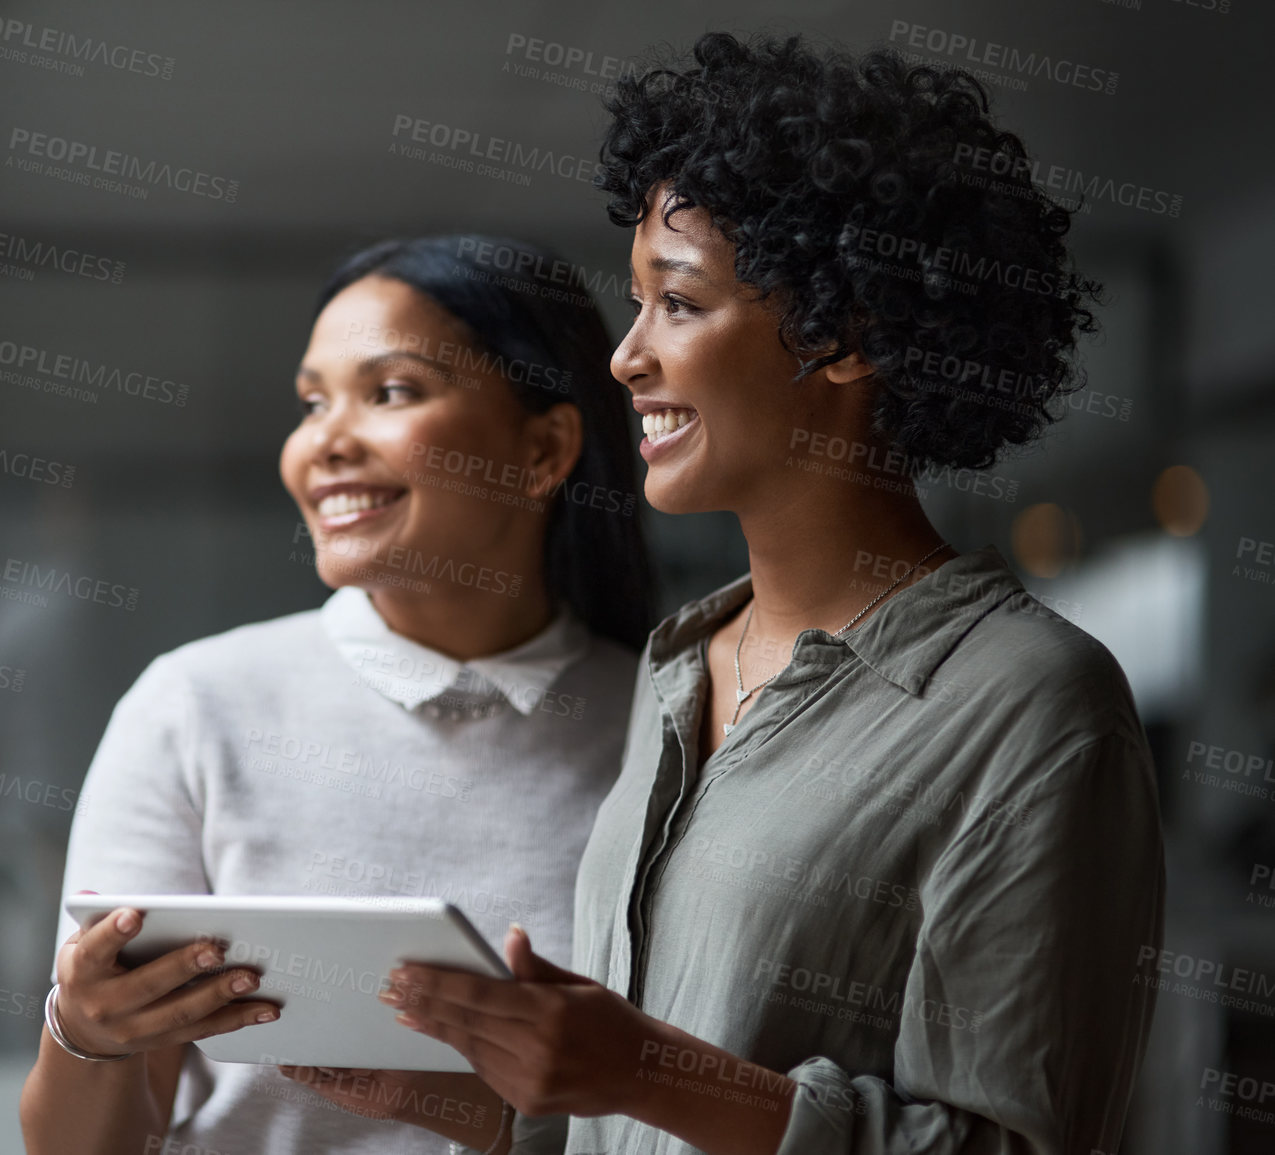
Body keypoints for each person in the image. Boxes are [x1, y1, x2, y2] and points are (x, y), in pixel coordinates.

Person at [378, 33, 1165, 1155]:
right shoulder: (676, 664)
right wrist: (470, 1095)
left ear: (843, 332)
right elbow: (641, 1112)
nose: (626, 357)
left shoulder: (1033, 705)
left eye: (680, 304)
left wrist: (641, 1069)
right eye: (635, 304)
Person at [18, 233, 657, 1155]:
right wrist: (87, 1032)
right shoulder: (193, 706)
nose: (325, 442)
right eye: (313, 402)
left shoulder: (670, 726)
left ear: (543, 447)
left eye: (389, 391)